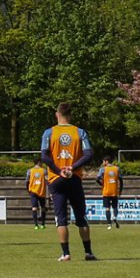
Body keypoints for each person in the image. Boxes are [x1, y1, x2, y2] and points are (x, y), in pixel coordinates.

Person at [39, 103, 97, 262]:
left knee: (60, 218)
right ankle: (88, 252)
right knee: (81, 217)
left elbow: (44, 156)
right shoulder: (80, 132)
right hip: (74, 178)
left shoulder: (49, 133)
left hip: (56, 179)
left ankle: (66, 254)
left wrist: (59, 171)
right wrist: (72, 167)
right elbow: (88, 154)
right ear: (70, 115)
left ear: (57, 114)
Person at [97, 154, 124, 229]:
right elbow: (121, 180)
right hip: (114, 192)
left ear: (106, 161)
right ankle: (114, 217)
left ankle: (109, 224)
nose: (103, 162)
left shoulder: (103, 169)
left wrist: (102, 185)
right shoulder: (117, 169)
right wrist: (120, 190)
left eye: (103, 161)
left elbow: (97, 179)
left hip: (106, 192)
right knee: (115, 207)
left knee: (107, 208)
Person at [26, 164, 50, 230]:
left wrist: (28, 190)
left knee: (34, 208)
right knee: (43, 208)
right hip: (41, 191)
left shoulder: (30, 171)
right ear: (40, 162)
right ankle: (43, 224)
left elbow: (27, 181)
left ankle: (36, 225)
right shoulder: (44, 171)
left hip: (33, 191)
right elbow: (48, 180)